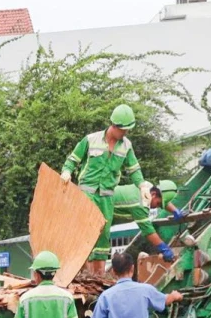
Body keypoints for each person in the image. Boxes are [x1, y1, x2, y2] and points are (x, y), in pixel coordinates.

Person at [61, 106, 151, 255]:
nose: (126, 133)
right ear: (114, 126)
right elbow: (72, 159)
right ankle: (80, 272)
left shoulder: (127, 146)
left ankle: (98, 275)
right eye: (123, 129)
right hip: (86, 193)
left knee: (103, 234)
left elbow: (134, 169)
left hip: (107, 196)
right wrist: (66, 171)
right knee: (84, 231)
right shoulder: (90, 140)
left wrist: (142, 186)